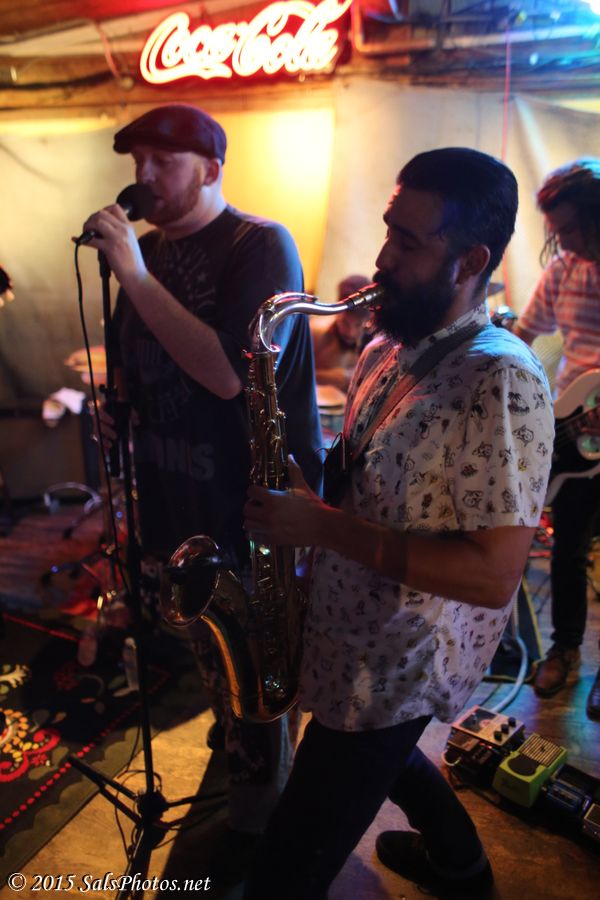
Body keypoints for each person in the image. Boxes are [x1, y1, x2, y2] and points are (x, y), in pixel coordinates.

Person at [242, 147, 554, 900]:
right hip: (348, 630)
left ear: (471, 261)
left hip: (398, 665)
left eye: (408, 243)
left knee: (284, 873)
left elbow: (493, 577)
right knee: (392, 761)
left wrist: (322, 530)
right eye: (389, 230)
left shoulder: (501, 379)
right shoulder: (387, 343)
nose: (381, 259)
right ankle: (462, 868)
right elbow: (371, 481)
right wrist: (310, 498)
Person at [79, 104, 323, 869]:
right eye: (137, 161)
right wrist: (118, 411)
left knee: (258, 684)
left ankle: (256, 837)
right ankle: (240, 753)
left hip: (248, 511)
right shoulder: (145, 254)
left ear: (212, 169)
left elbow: (226, 375)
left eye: (163, 160)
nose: (143, 175)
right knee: (217, 670)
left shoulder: (260, 245)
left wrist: (133, 273)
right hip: (172, 501)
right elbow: (141, 368)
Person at [513, 158, 600, 719]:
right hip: (571, 423)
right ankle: (565, 649)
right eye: (556, 231)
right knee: (568, 547)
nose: (562, 241)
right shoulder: (564, 269)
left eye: (570, 228)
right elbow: (526, 334)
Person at [312, 273, 373, 392]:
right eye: (345, 323)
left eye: (358, 325)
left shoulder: (374, 343)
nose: (350, 332)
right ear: (337, 313)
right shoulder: (315, 333)